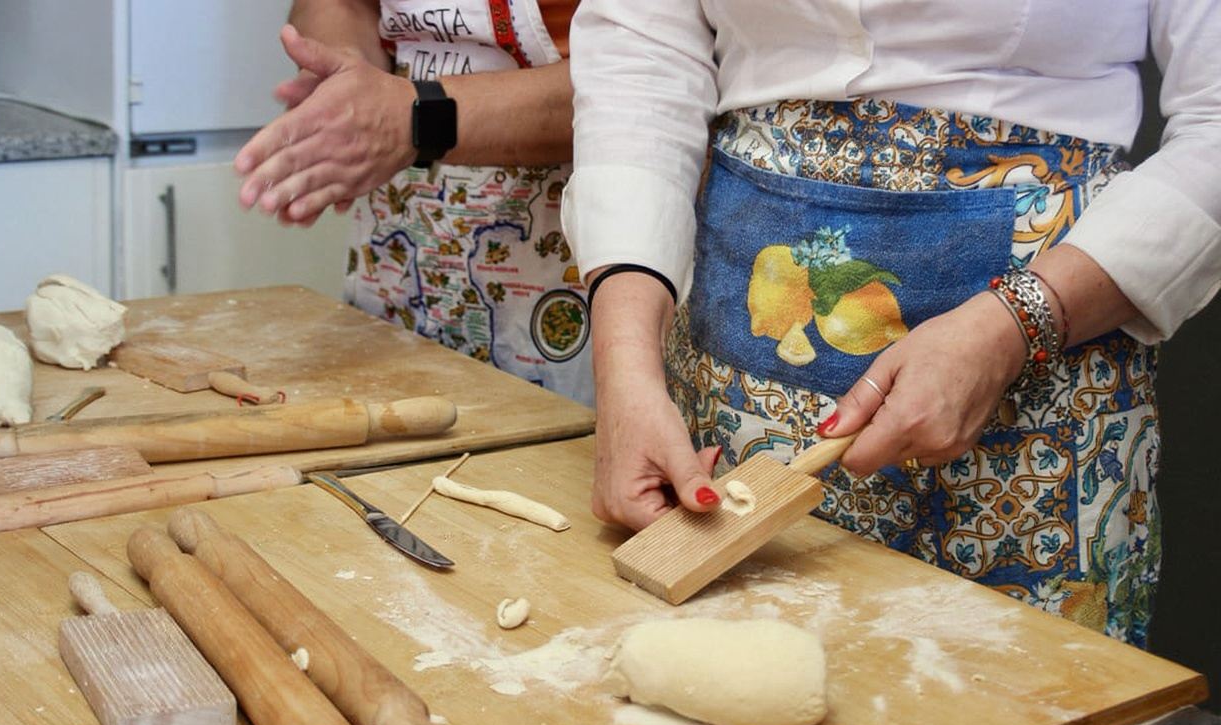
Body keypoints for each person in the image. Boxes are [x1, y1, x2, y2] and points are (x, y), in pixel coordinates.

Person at [563, 2, 1221, 647]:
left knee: (1015, 712)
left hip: (1038, 380)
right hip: (731, 376)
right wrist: (624, 370)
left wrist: (1016, 323)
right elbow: (639, 54)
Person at [234, 0, 592, 405]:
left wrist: (415, 118)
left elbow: (647, 80)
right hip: (405, 248)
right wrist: (347, 70)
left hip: (567, 267)